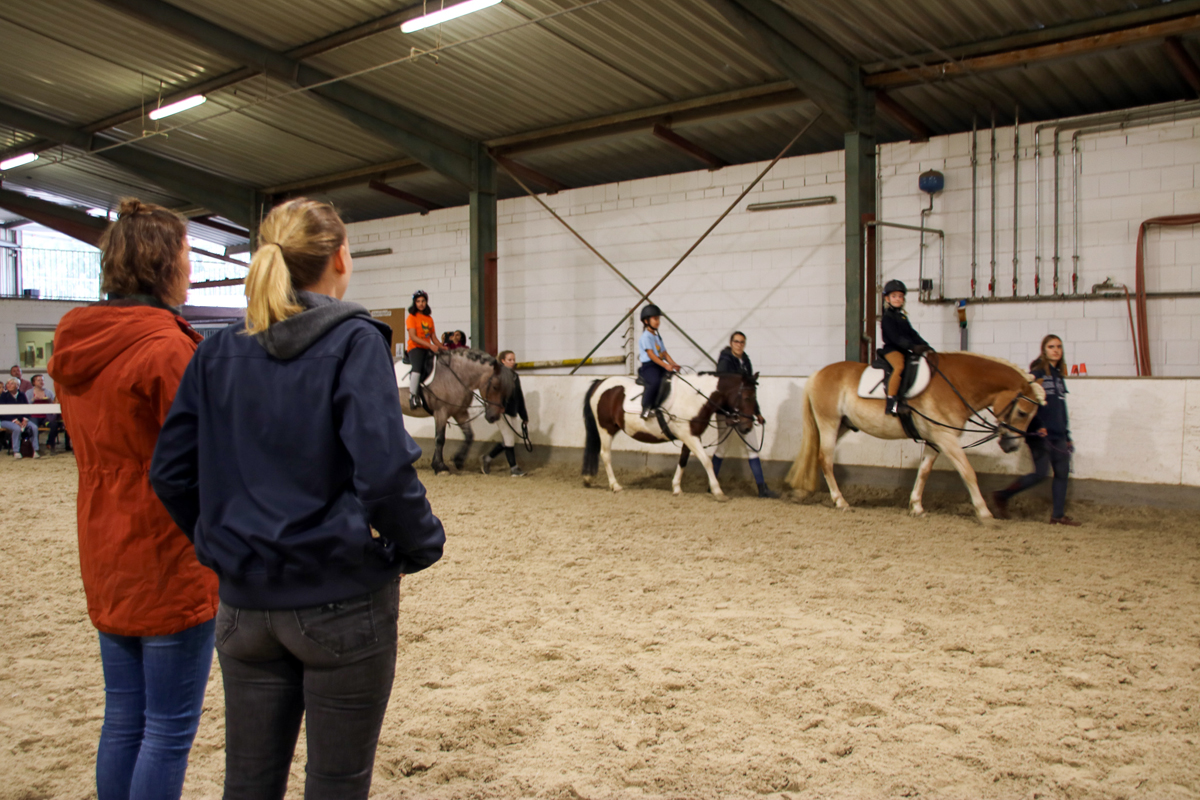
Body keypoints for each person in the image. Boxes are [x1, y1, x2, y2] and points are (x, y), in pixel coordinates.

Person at [150, 197, 445, 800]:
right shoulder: (356, 339)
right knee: (336, 784)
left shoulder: (214, 351)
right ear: (341, 258)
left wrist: (216, 545)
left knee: (249, 784)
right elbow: (384, 472)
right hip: (339, 599)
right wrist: (420, 545)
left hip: (243, 608)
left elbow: (171, 474)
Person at [47, 198, 219, 800]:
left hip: (103, 541)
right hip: (166, 549)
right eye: (185, 256)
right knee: (169, 729)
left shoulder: (75, 344)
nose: (190, 268)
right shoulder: (167, 348)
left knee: (123, 719)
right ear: (162, 263)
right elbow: (200, 458)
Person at [992, 335, 1079, 526]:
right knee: (1040, 473)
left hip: (1058, 434)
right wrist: (1037, 425)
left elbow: (1060, 408)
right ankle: (1002, 495)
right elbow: (1030, 403)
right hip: (1041, 434)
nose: (1056, 350)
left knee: (1062, 473)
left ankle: (1057, 515)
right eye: (1051, 347)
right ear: (1044, 350)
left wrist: (1067, 435)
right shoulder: (1037, 372)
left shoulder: (1058, 375)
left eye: (1058, 347)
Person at [713, 332, 777, 498]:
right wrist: (727, 412)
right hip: (726, 411)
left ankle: (762, 488)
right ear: (731, 343)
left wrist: (757, 412)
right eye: (736, 342)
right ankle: (711, 484)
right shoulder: (725, 362)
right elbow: (722, 388)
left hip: (743, 411)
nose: (739, 345)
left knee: (752, 447)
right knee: (722, 447)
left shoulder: (746, 362)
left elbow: (750, 392)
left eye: (742, 342)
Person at [879, 279, 933, 416]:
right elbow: (895, 338)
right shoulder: (887, 318)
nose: (897, 299)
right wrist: (912, 346)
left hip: (904, 349)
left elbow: (912, 333)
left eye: (900, 296)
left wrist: (925, 345)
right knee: (899, 367)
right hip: (892, 349)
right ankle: (891, 403)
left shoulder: (902, 317)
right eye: (894, 296)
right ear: (887, 298)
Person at [481, 350, 528, 477]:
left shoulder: (514, 376)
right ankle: (514, 468)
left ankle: (488, 458)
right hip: (501, 411)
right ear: (502, 361)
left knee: (508, 440)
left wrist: (524, 415)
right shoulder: (498, 375)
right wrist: (498, 406)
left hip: (512, 411)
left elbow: (519, 396)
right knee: (509, 439)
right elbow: (493, 394)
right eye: (510, 360)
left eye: (513, 359)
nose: (513, 362)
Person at [638, 304, 680, 419]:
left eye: (658, 319)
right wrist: (666, 366)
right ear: (646, 321)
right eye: (655, 319)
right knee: (655, 382)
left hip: (659, 364)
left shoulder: (657, 336)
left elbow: (664, 353)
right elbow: (651, 355)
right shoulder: (646, 337)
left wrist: (673, 364)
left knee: (672, 379)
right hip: (649, 366)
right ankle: (645, 408)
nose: (658, 322)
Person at [406, 290, 441, 409]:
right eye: (418, 301)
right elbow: (413, 337)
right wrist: (430, 345)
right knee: (417, 369)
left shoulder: (429, 319)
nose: (421, 304)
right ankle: (412, 396)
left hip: (427, 348)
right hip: (416, 348)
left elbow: (434, 338)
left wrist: (443, 347)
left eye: (423, 301)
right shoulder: (411, 317)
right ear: (415, 303)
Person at [26, 374, 66, 453]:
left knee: (54, 425)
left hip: (46, 416)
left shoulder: (48, 392)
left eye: (42, 380)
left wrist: (50, 401)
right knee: (33, 427)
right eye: (38, 380)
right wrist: (33, 400)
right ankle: (34, 447)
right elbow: (26, 405)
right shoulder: (29, 392)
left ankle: (50, 443)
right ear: (33, 382)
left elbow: (54, 403)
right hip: (34, 415)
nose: (41, 382)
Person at [1, 378, 39, 458]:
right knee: (16, 428)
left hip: (22, 419)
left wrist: (25, 419)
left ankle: (35, 450)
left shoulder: (22, 395)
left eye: (11, 383)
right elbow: (3, 413)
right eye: (8, 383)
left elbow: (26, 409)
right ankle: (16, 451)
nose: (8, 385)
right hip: (7, 420)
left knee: (34, 427)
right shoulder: (3, 396)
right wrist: (14, 420)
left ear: (17, 386)